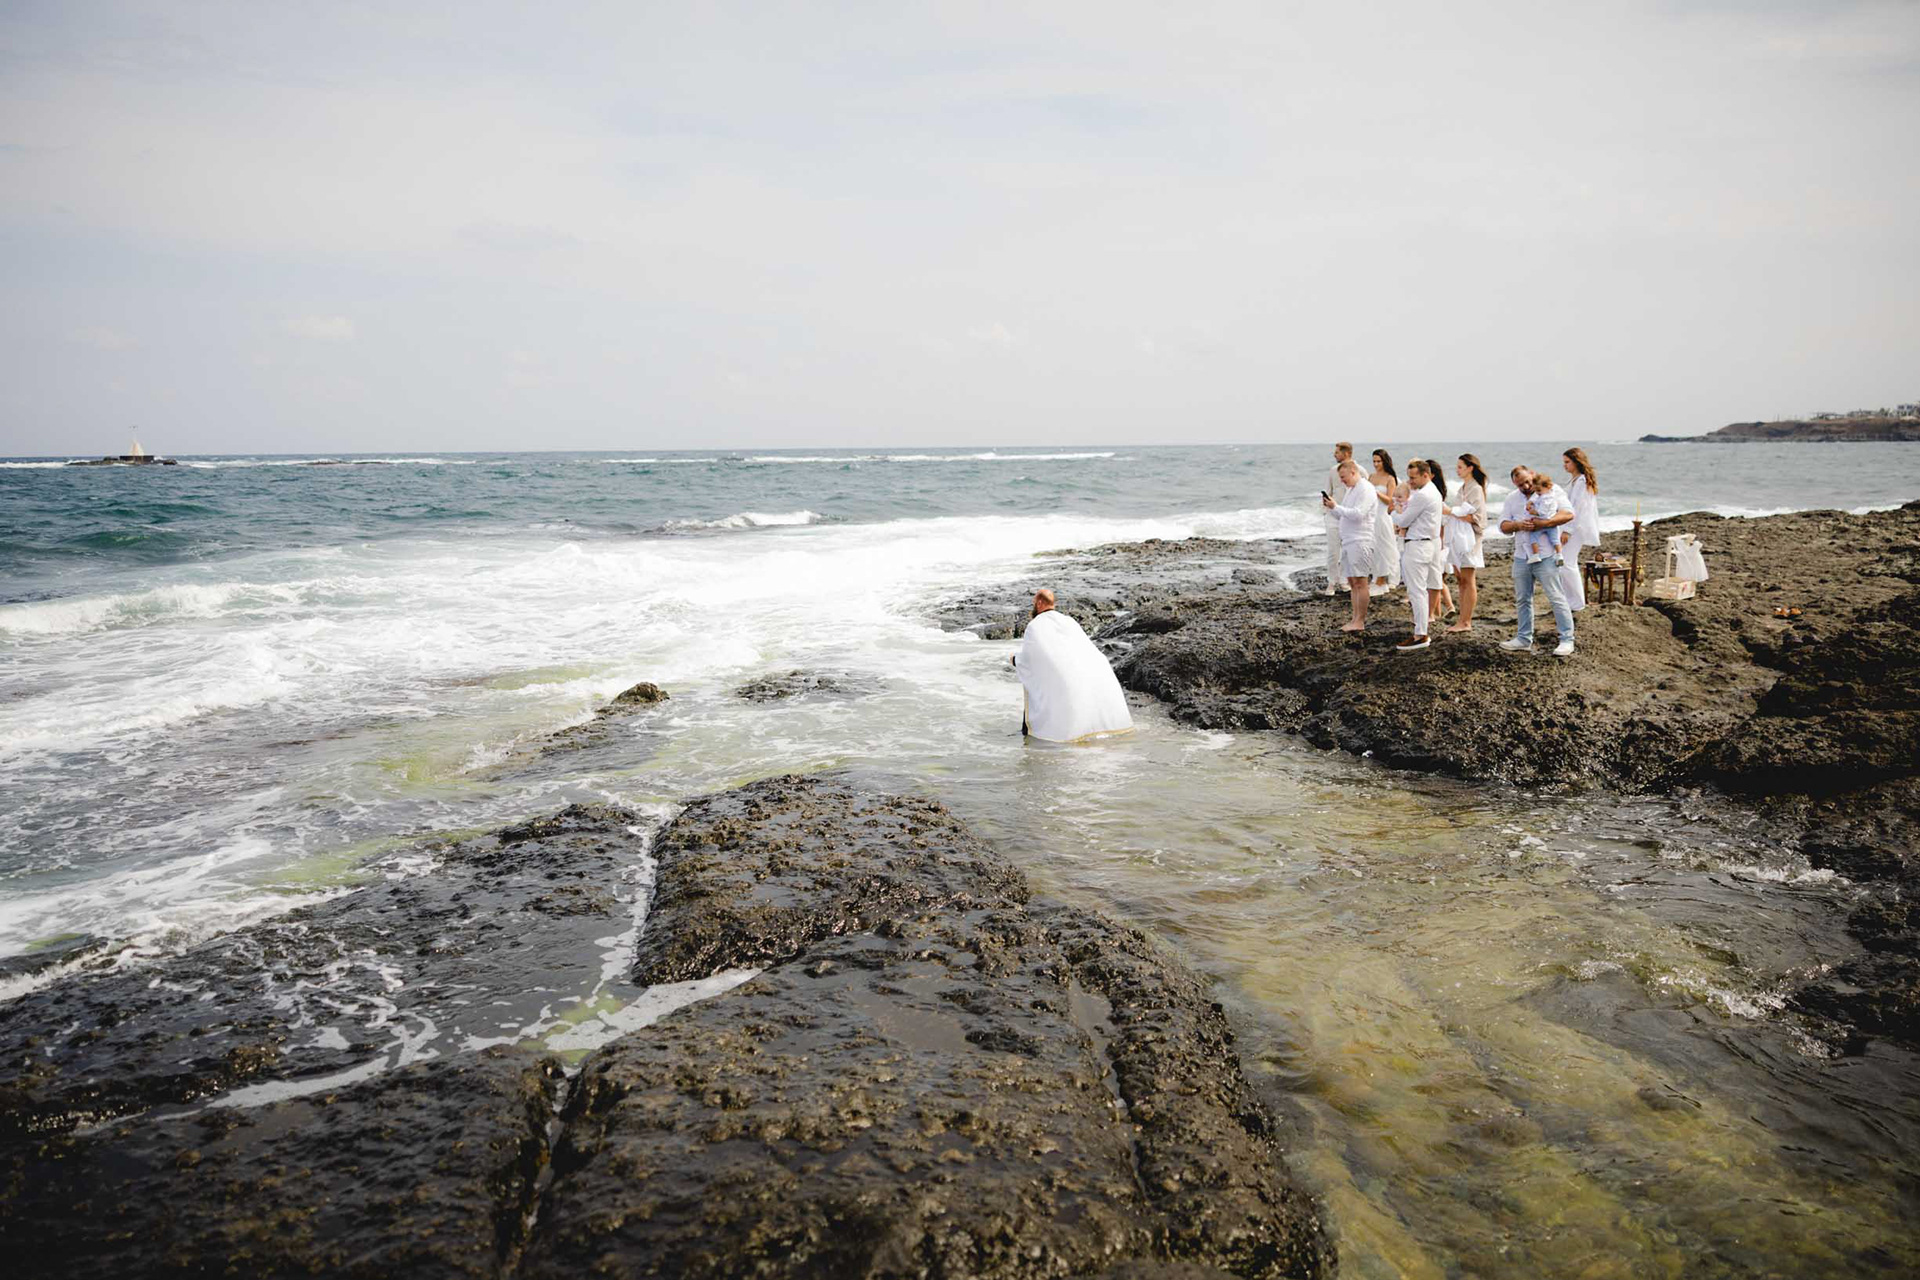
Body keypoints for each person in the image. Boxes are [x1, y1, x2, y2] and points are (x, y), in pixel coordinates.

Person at [1011, 589, 1134, 741]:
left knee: (1033, 684)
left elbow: (1030, 661)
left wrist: (1014, 659)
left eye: (1034, 603)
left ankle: (1028, 736)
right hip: (1092, 673)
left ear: (1040, 603)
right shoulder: (1069, 621)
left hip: (1064, 679)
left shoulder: (1035, 625)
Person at [1501, 471, 1576, 657]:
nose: (1526, 487)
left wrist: (1545, 522)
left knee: (1556, 597)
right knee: (1523, 599)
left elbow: (1568, 514)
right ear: (1514, 484)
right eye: (1520, 485)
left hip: (1547, 555)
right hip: (1521, 556)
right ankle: (1524, 639)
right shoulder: (1512, 498)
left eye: (1527, 482)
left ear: (1532, 476)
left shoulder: (1552, 490)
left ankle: (1567, 639)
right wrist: (1518, 525)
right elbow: (1502, 525)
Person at [1391, 459, 1444, 651]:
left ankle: (1421, 634)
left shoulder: (1423, 495)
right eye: (1409, 477)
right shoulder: (1433, 492)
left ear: (1425, 475)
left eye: (1413, 478)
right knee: (1421, 589)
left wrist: (1394, 513)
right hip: (1427, 544)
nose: (1410, 481)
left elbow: (1404, 519)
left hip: (1418, 546)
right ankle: (1420, 631)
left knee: (1417, 591)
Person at [1322, 458, 1375, 631]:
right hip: (1349, 540)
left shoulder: (1366, 488)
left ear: (1354, 472)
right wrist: (1332, 508)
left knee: (1361, 582)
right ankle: (1354, 619)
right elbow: (1344, 515)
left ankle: (1360, 621)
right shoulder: (1351, 490)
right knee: (1353, 582)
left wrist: (1336, 507)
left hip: (1361, 541)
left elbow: (1358, 514)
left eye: (1344, 477)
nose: (1342, 481)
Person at [1444, 454, 1487, 632]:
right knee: (1460, 579)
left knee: (1468, 579)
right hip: (1458, 538)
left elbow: (1476, 517)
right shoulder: (1463, 487)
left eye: (1460, 466)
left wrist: (1451, 511)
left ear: (1470, 468)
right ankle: (1461, 619)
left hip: (1470, 540)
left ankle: (1466, 622)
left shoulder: (1475, 489)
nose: (1457, 469)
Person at [1559, 447, 1601, 611]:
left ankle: (1577, 603)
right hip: (1571, 526)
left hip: (1577, 527)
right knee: (1565, 564)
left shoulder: (1582, 482)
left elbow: (1578, 507)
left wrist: (1568, 530)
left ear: (1576, 462)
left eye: (1567, 462)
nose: (1565, 465)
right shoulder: (1574, 481)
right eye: (1564, 462)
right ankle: (1570, 600)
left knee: (1567, 564)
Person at [1320, 442, 1358, 596]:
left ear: (1346, 453)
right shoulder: (1332, 471)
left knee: (1347, 551)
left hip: (1349, 516)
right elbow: (1328, 491)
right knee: (1333, 551)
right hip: (1332, 516)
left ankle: (1344, 580)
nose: (1334, 454)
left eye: (1337, 452)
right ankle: (1331, 582)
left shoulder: (1359, 470)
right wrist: (1325, 510)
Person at [1367, 450, 1400, 591]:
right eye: (1374, 461)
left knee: (1388, 546)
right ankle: (1377, 576)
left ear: (1384, 461)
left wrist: (1377, 493)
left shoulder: (1390, 478)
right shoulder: (1371, 477)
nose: (1376, 464)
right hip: (1371, 515)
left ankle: (1392, 577)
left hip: (1383, 514)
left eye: (1378, 461)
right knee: (1374, 547)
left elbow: (1390, 501)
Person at [1425, 459, 1455, 616]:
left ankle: (1446, 608)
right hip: (1440, 544)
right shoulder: (1436, 495)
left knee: (1435, 581)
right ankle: (1439, 612)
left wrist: (1441, 546)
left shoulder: (1434, 497)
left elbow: (1442, 527)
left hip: (1439, 545)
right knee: (1436, 581)